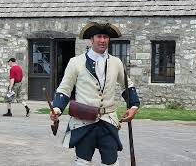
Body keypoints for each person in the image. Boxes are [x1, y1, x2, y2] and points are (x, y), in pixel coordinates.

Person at [50, 22, 140, 166]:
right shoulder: (75, 62)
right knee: (82, 162)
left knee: (111, 162)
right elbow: (64, 89)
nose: (102, 40)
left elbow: (127, 86)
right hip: (84, 121)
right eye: (99, 37)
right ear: (91, 39)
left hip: (108, 120)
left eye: (105, 37)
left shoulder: (116, 62)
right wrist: (57, 109)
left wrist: (134, 107)